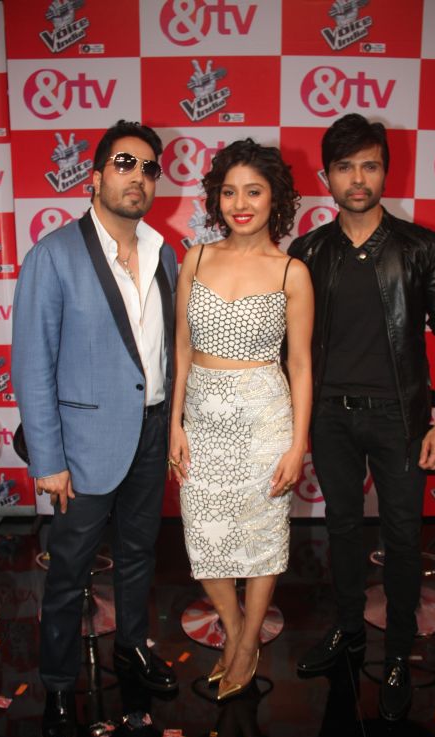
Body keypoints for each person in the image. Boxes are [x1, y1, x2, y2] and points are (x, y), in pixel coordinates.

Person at [289, 114, 435, 721]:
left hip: (401, 419)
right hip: (330, 416)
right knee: (342, 527)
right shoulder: (308, 252)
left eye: (369, 165)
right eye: (345, 167)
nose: (358, 178)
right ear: (327, 177)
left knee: (400, 536)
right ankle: (348, 631)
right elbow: (290, 345)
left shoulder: (420, 248)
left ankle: (396, 654)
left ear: (386, 172)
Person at [12, 120, 178, 737]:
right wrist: (48, 460)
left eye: (149, 167)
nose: (139, 177)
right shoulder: (53, 254)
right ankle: (58, 687)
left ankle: (131, 650)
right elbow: (32, 364)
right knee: (69, 573)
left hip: (151, 431)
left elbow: (163, 353)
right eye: (125, 163)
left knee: (138, 556)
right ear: (96, 176)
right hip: (82, 447)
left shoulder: (165, 253)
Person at [169, 138, 314, 700]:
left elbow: (300, 365)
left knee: (261, 540)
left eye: (253, 191)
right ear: (216, 199)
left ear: (275, 197)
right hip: (202, 420)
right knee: (203, 536)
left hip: (264, 422)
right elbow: (182, 348)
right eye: (229, 192)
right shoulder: (196, 258)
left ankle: (248, 642)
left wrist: (296, 445)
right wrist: (175, 423)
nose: (240, 204)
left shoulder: (291, 272)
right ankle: (235, 631)